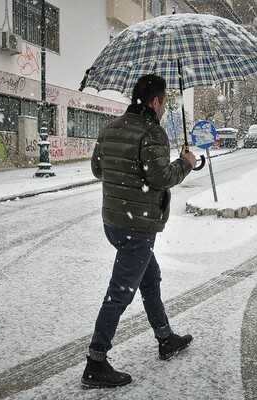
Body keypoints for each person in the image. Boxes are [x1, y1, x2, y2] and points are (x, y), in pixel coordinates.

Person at [82, 74, 197, 388]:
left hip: (114, 224)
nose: (164, 111)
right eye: (165, 104)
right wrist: (186, 162)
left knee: (150, 277)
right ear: (156, 101)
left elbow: (97, 169)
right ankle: (96, 360)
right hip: (137, 227)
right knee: (119, 294)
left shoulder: (110, 128)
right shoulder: (153, 132)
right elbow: (161, 177)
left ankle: (165, 337)